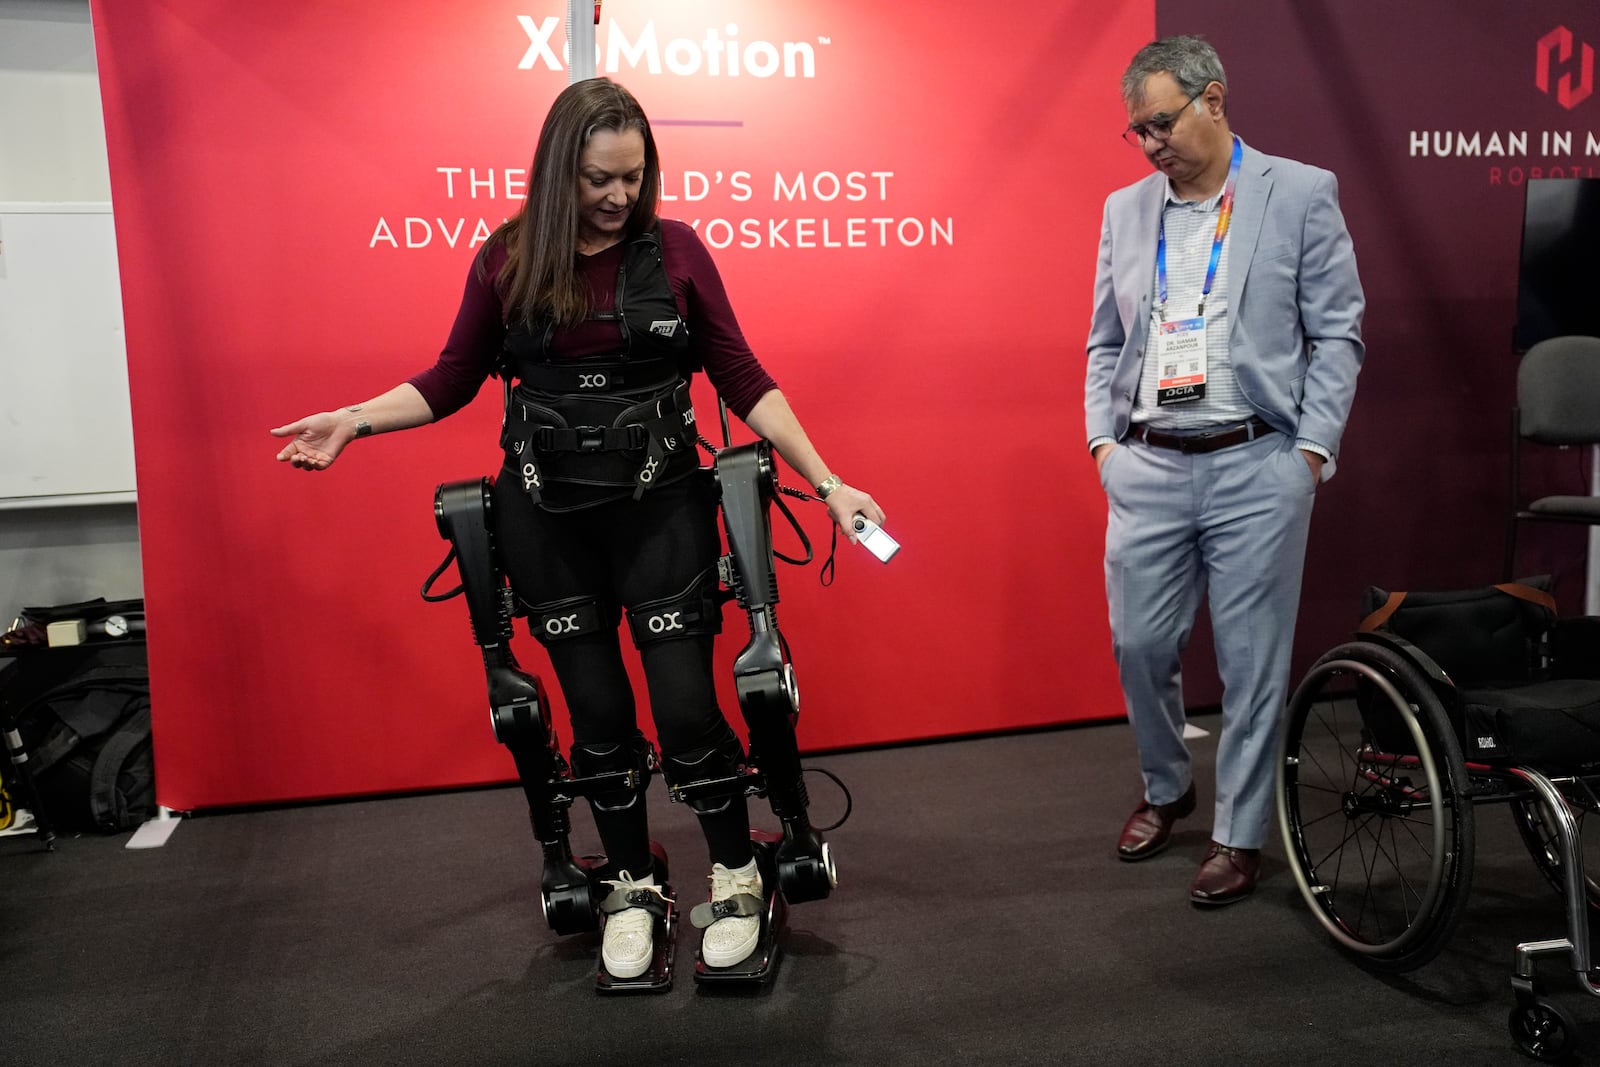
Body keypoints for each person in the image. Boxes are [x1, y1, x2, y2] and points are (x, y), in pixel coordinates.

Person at [270, 77, 883, 976]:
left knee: (683, 708)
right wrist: (354, 419)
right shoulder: (508, 259)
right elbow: (450, 377)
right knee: (596, 714)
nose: (619, 197)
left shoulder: (675, 251)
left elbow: (743, 377)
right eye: (600, 178)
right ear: (561, 171)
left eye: (634, 177)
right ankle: (633, 881)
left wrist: (828, 482)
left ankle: (737, 870)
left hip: (662, 509)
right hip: (548, 517)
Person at [1084, 36, 1364, 906]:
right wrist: (1104, 443)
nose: (1151, 142)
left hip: (1258, 462)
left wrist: (1311, 452)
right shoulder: (1124, 211)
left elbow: (1339, 332)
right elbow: (1104, 339)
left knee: (1252, 662)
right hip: (1150, 464)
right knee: (1139, 645)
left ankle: (1239, 834)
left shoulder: (1300, 192)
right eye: (1137, 130)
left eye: (1161, 121)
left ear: (1214, 99)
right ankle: (1168, 784)